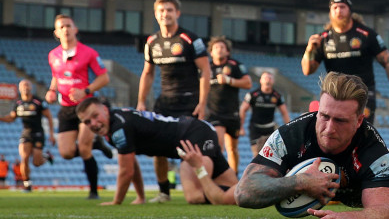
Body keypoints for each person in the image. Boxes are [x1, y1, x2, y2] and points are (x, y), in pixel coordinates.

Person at [235, 72, 389, 219]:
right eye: (324, 116)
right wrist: (301, 181)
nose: (329, 129)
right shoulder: (288, 136)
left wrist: (347, 217)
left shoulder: (372, 148)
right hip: (318, 179)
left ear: (358, 121)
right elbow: (243, 192)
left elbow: (388, 212)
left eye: (340, 120)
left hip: (356, 185)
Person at [77, 97, 237, 205]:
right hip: (196, 131)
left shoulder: (119, 128)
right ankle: (246, 192)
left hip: (192, 136)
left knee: (194, 196)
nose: (94, 123)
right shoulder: (116, 123)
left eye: (95, 116)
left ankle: (224, 197)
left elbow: (126, 171)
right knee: (237, 189)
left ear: (105, 109)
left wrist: (116, 202)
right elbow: (131, 164)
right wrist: (141, 197)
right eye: (87, 122)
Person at [137, 0, 211, 203]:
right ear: (155, 14)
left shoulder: (190, 39)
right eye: (161, 10)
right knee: (156, 147)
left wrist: (202, 103)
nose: (165, 14)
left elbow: (205, 71)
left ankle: (201, 190)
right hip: (164, 103)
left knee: (192, 149)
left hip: (189, 103)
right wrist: (141, 101)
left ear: (177, 13)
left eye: (169, 10)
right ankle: (163, 192)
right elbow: (148, 73)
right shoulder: (152, 42)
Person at [301, 0, 389, 124]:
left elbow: (388, 63)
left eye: (342, 7)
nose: (338, 11)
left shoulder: (367, 34)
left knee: (361, 131)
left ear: (349, 10)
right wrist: (309, 50)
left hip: (362, 94)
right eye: (334, 8)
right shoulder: (323, 38)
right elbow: (307, 71)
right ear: (330, 12)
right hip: (334, 94)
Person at [46, 14, 112, 199]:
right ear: (56, 33)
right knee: (66, 153)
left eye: (69, 25)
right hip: (66, 107)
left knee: (84, 148)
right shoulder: (53, 55)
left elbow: (104, 78)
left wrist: (86, 90)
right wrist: (52, 90)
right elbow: (56, 76)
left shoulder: (89, 52)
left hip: (86, 107)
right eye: (62, 27)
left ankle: (93, 191)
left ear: (75, 29)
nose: (66, 29)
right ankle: (97, 144)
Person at [207, 36, 252, 175]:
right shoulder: (206, 67)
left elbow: (248, 83)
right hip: (214, 113)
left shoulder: (235, 65)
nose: (219, 50)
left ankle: (233, 175)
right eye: (216, 48)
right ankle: (219, 176)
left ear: (227, 52)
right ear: (211, 52)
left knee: (232, 149)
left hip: (232, 113)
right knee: (219, 145)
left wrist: (229, 80)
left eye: (222, 47)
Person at [0, 79, 56, 192]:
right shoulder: (18, 103)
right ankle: (27, 184)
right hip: (26, 133)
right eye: (23, 86)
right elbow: (11, 118)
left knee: (36, 162)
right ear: (20, 89)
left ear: (31, 87)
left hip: (38, 133)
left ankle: (47, 156)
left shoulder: (38, 102)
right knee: (24, 158)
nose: (25, 87)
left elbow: (49, 116)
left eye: (27, 85)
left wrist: (51, 133)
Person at [239, 71, 290, 158]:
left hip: (270, 128)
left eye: (270, 78)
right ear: (261, 81)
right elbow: (242, 109)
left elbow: (284, 112)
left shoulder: (277, 96)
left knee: (271, 155)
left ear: (273, 81)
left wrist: (289, 128)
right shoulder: (253, 95)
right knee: (256, 155)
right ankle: (256, 171)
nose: (268, 80)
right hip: (255, 129)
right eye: (265, 78)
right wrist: (241, 127)